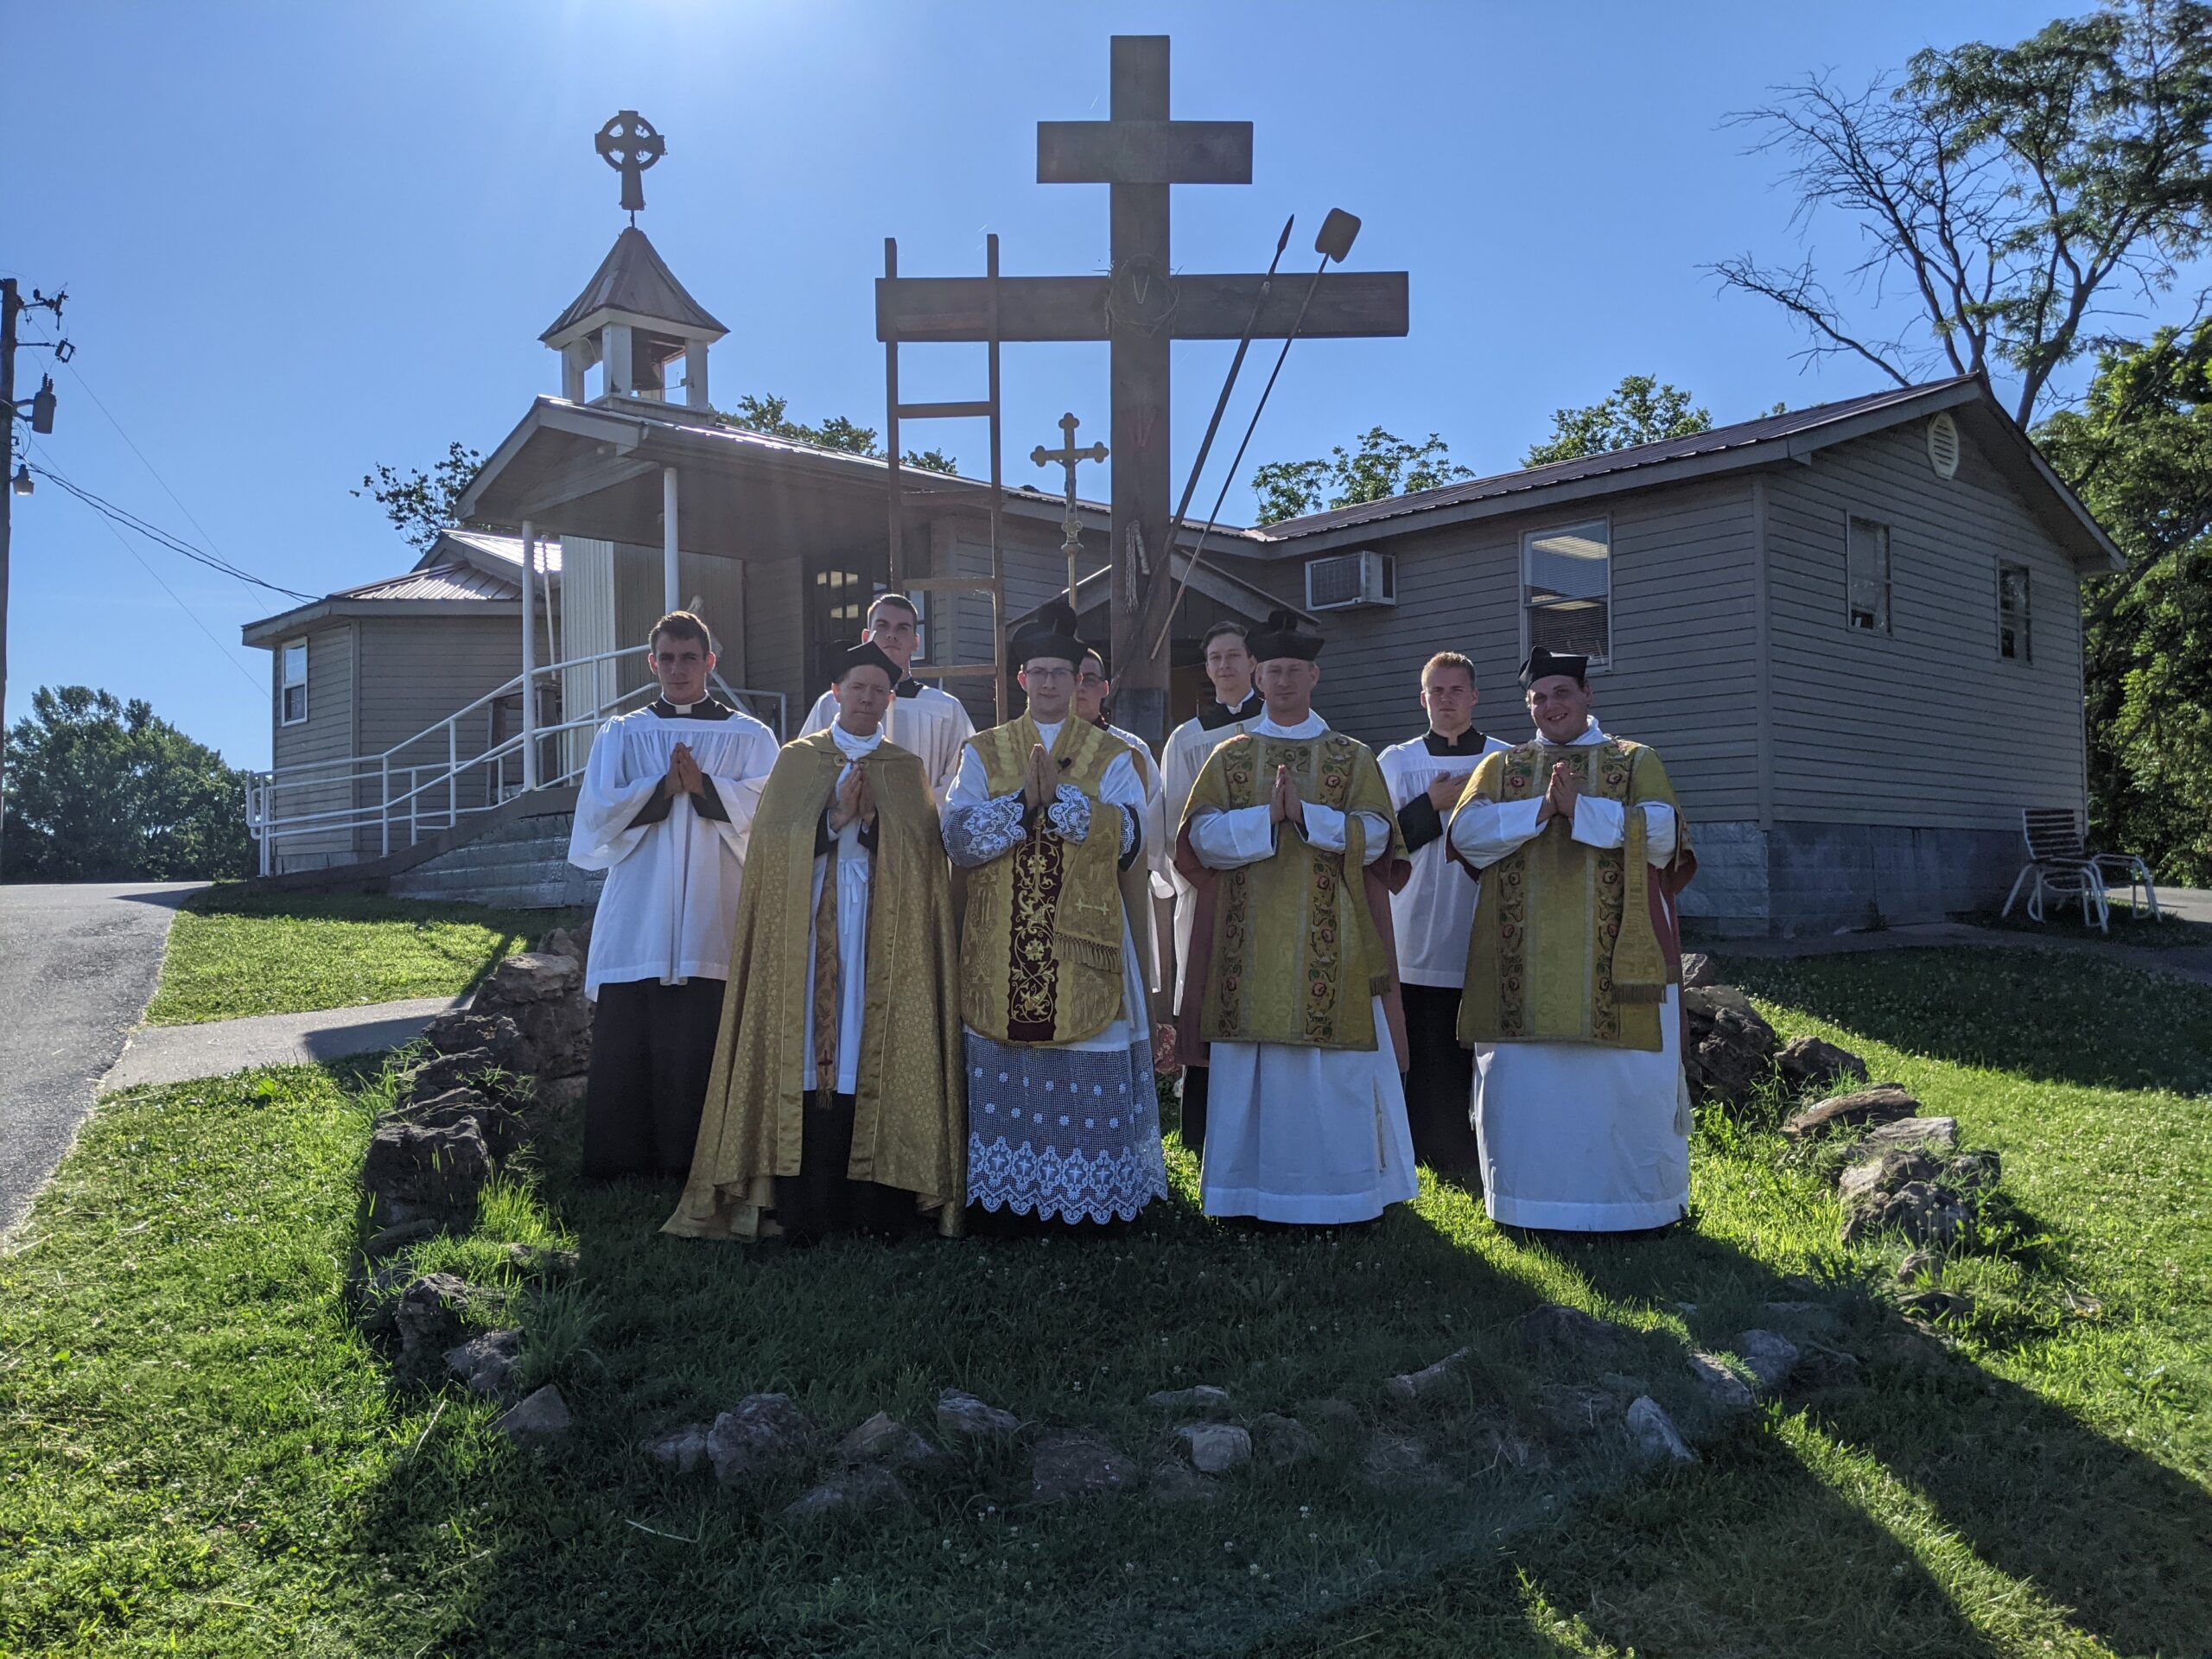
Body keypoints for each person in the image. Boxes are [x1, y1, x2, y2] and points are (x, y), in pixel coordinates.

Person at [664, 640, 965, 1244]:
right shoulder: (798, 761)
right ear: (835, 693)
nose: (867, 699)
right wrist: (832, 820)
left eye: (878, 691)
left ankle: (878, 1202)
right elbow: (771, 851)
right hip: (806, 932)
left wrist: (877, 823)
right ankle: (803, 1200)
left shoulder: (904, 769)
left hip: (882, 933)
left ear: (889, 700)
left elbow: (927, 864)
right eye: (857, 688)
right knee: (807, 1046)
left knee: (868, 1039)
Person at [1174, 609, 1418, 1224]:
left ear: (1314, 675)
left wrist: (1309, 817)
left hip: (1335, 938)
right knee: (1251, 1062)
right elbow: (1198, 838)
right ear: (1257, 676)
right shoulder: (1230, 756)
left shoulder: (1351, 756)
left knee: (1333, 1068)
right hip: (1246, 939)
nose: (1283, 681)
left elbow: (1378, 835)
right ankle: (1246, 1195)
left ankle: (1341, 1195)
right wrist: (1267, 820)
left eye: (1294, 671)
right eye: (1273, 671)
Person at [1446, 646, 1698, 1232]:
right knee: (1528, 1085)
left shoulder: (1634, 760)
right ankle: (1526, 1203)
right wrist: (1538, 812)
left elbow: (1664, 835)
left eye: (1562, 693)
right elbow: (1466, 834)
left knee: (1621, 1085)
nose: (1550, 705)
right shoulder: (1502, 767)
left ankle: (1636, 1207)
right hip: (1519, 959)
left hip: (1619, 958)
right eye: (1538, 697)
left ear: (1588, 695)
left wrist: (1582, 810)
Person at [941, 601, 1169, 1230]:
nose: (1047, 683)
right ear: (1021, 678)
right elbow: (956, 837)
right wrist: (1021, 805)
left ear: (1078, 681)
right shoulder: (983, 751)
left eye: (1060, 674)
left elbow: (1131, 838)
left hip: (1082, 938)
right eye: (1037, 672)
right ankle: (1004, 1202)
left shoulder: (1112, 754)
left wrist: (1063, 805)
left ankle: (1092, 1199)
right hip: (1001, 936)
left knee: (1087, 1043)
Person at [568, 612, 778, 1181]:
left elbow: (773, 810)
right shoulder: (623, 734)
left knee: (702, 1032)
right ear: (651, 663)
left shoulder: (750, 737)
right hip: (641, 905)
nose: (678, 669)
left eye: (690, 658)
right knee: (628, 1034)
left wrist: (705, 787)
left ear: (710, 662)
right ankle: (622, 1164)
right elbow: (597, 813)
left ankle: (700, 1160)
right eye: (667, 658)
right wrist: (662, 788)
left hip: (716, 906)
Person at [1376, 652, 1510, 1179]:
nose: (1447, 699)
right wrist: (1428, 806)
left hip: (1482, 922)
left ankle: (1478, 1149)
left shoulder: (1505, 760)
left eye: (1457, 690)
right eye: (1437, 690)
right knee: (1424, 1046)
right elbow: (1376, 841)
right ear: (1422, 698)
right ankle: (1424, 1151)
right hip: (1413, 930)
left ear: (1474, 696)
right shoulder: (1396, 762)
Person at [1155, 620, 1263, 1154]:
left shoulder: (1279, 727)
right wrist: (1205, 871)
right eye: (1216, 658)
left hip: (1268, 891)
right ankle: (1200, 1127)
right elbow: (1173, 821)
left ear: (1253, 664)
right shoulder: (1186, 738)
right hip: (1206, 891)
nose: (1225, 665)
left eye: (1234, 655)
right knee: (1205, 992)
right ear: (1207, 668)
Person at [799, 591, 975, 801]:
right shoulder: (832, 702)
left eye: (902, 628)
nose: (891, 635)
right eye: (882, 626)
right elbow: (806, 769)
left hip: (923, 819)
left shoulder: (946, 709)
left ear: (916, 641)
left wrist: (916, 809)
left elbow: (962, 778)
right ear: (866, 637)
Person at [1074, 644, 1169, 995]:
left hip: (1116, 887)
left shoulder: (1130, 751)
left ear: (1105, 688)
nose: (1080, 687)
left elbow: (1151, 829)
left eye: (1090, 679)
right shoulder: (1038, 747)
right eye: (1074, 678)